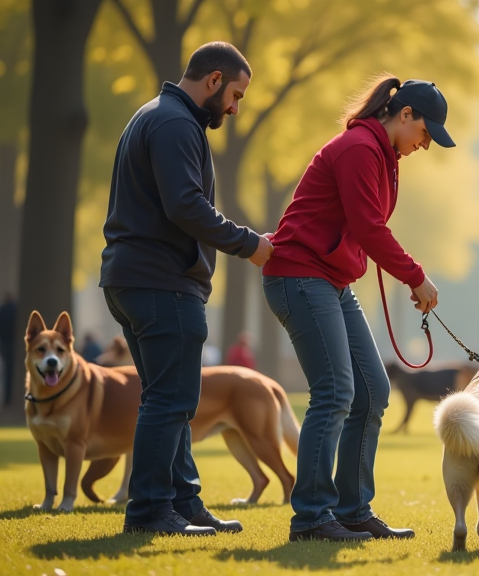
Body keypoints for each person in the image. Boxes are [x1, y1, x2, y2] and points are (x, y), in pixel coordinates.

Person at [262, 74, 448, 542]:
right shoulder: (360, 148)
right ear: (405, 115)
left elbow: (364, 227)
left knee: (373, 391)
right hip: (299, 275)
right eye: (425, 133)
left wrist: (402, 271)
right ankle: (311, 517)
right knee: (335, 392)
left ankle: (351, 509)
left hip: (330, 280)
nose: (425, 145)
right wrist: (415, 275)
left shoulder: (384, 157)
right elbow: (369, 227)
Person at [100, 42, 274, 536]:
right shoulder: (177, 124)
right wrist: (249, 245)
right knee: (171, 400)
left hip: (132, 279)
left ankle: (183, 502)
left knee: (166, 396)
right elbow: (186, 206)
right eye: (236, 94)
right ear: (214, 81)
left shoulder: (152, 115)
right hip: (162, 283)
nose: (236, 108)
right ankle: (152, 512)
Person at [0, 293, 14, 406]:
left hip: (5, 343)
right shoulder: (15, 309)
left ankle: (7, 398)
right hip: (13, 343)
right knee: (11, 371)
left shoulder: (2, 310)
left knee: (7, 372)